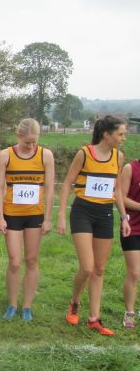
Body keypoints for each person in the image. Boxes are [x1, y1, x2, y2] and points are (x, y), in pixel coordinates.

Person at [58, 115, 130, 336]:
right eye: (120, 134)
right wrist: (61, 214)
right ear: (106, 135)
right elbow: (68, 183)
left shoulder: (118, 157)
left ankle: (94, 319)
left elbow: (116, 189)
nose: (123, 138)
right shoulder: (85, 153)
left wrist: (124, 216)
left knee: (99, 269)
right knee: (87, 267)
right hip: (82, 212)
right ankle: (75, 301)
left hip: (105, 214)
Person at [0, 118, 54, 322]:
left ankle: (27, 305)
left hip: (34, 215)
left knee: (31, 260)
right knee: (14, 261)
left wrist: (48, 219)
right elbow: (0, 187)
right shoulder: (5, 155)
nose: (31, 146)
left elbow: (49, 188)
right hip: (12, 215)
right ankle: (12, 304)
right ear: (18, 136)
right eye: (27, 141)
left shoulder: (45, 155)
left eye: (34, 141)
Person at [120, 157, 140, 328]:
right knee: (134, 272)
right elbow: (121, 197)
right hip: (132, 227)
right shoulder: (130, 168)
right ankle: (129, 313)